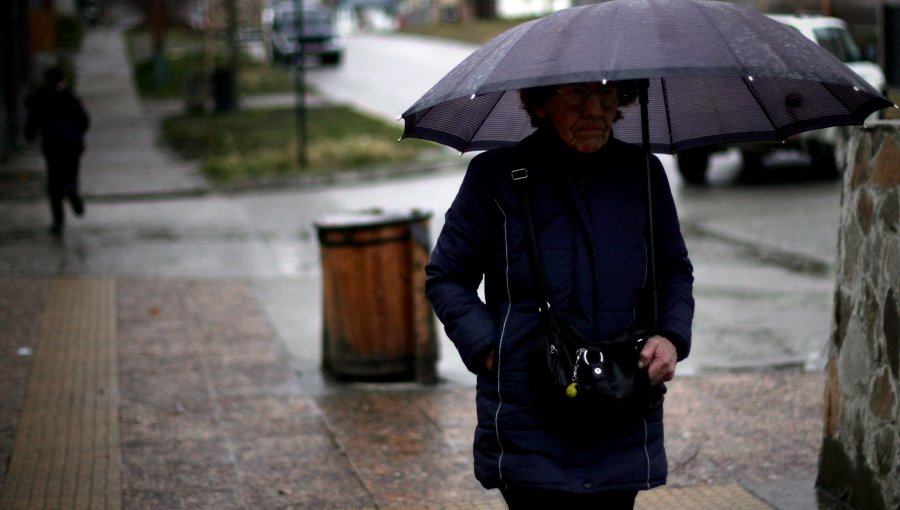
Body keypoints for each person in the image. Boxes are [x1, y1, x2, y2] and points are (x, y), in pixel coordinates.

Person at [425, 81, 694, 509]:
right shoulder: (497, 176)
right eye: (576, 95)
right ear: (541, 102)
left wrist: (671, 336)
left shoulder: (643, 173)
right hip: (527, 412)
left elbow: (673, 272)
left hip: (619, 407)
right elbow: (446, 276)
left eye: (607, 96)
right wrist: (489, 347)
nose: (594, 110)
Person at [25, 66, 91, 235]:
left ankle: (58, 221)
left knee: (54, 181)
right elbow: (84, 120)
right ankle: (71, 188)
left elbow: (32, 118)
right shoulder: (70, 95)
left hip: (52, 144)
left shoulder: (43, 96)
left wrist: (30, 134)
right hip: (72, 143)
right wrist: (77, 133)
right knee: (71, 172)